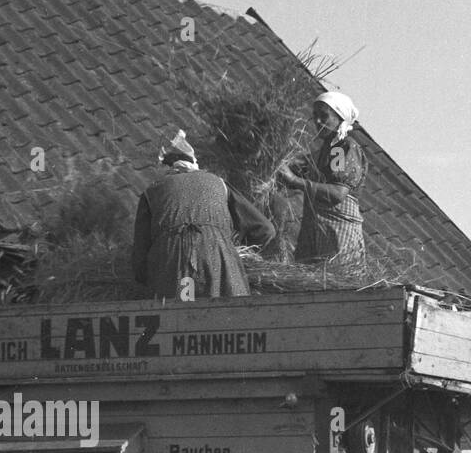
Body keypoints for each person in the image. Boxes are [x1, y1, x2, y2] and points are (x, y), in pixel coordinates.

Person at [131, 130, 278, 299]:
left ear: (168, 168)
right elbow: (266, 229)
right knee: (227, 314)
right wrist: (239, 254)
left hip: (172, 268)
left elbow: (139, 262)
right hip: (218, 260)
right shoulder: (219, 184)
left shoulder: (152, 192)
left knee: (179, 319)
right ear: (194, 164)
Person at [276, 93, 367, 265]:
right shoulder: (324, 152)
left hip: (336, 231)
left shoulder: (340, 148)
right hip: (316, 229)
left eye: (324, 116)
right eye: (315, 116)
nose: (318, 121)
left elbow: (337, 192)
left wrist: (294, 180)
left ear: (340, 118)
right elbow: (302, 166)